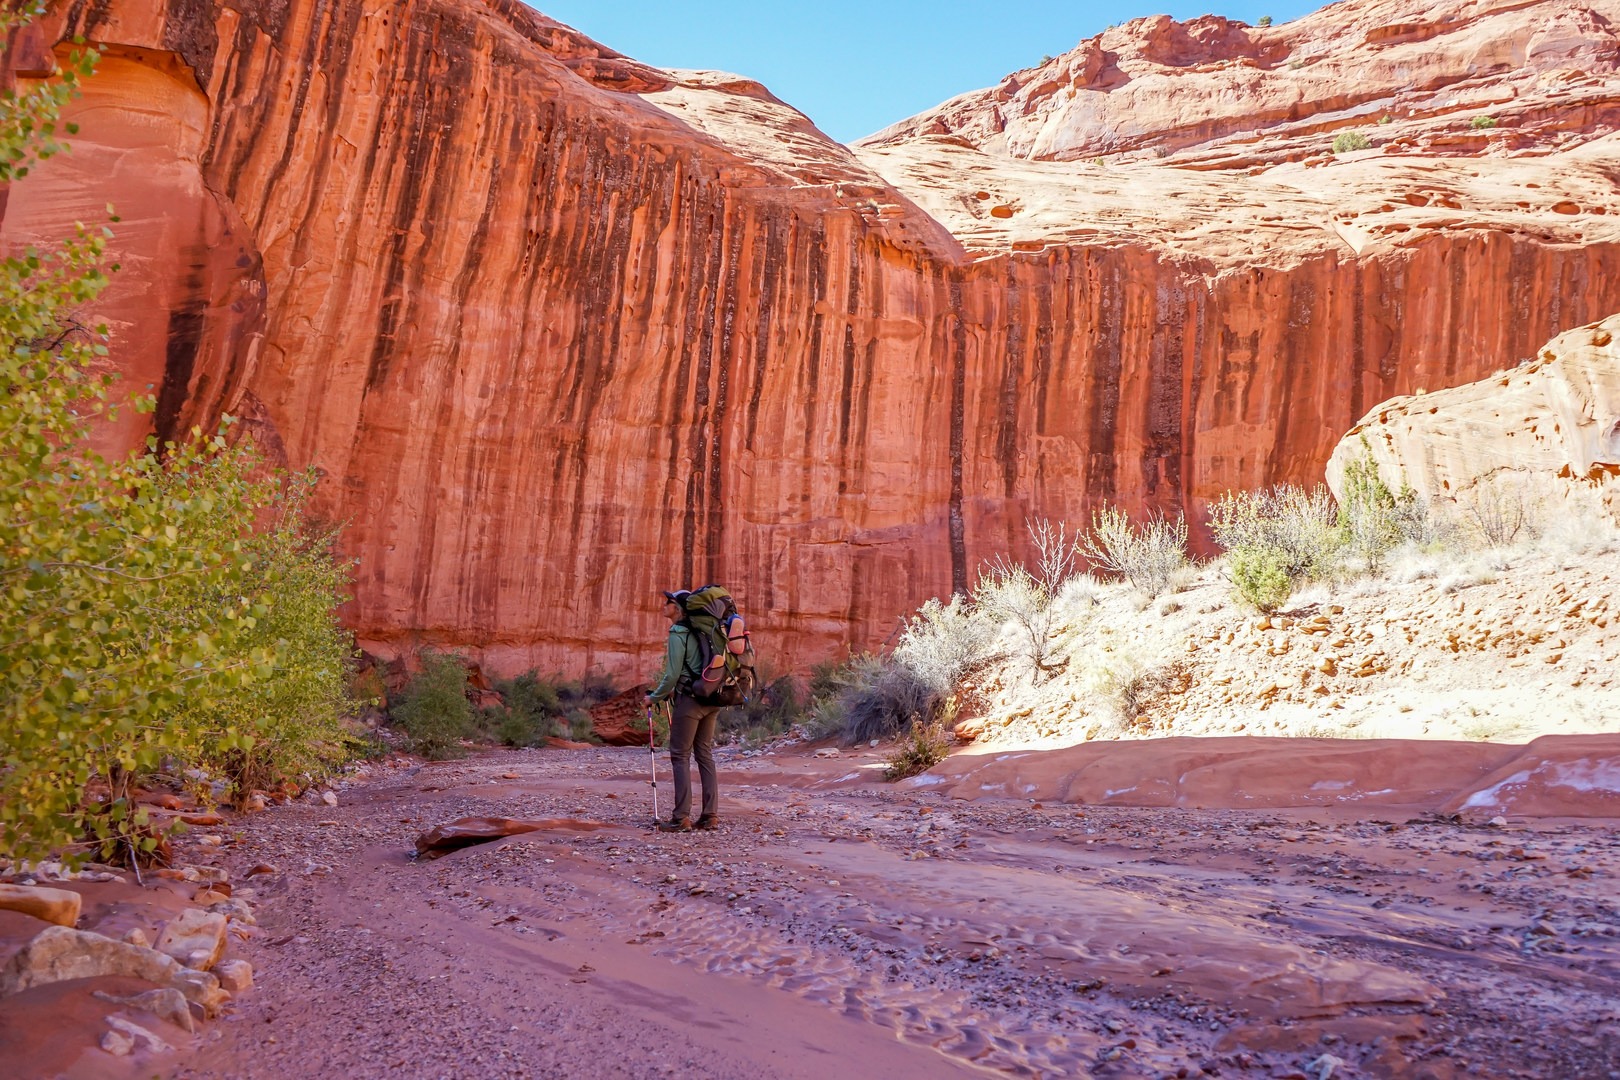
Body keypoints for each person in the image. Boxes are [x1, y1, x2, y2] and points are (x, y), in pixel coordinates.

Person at [646, 589, 720, 832]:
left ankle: (681, 818)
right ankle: (709, 816)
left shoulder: (678, 633)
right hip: (712, 697)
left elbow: (672, 674)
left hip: (690, 701)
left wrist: (653, 697)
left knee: (680, 755)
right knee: (704, 754)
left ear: (677, 608)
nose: (663, 606)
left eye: (667, 602)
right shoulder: (703, 631)